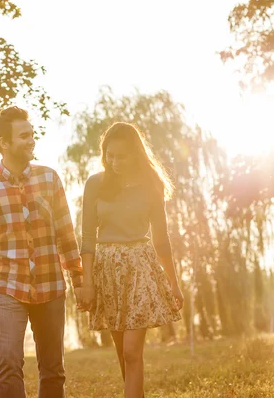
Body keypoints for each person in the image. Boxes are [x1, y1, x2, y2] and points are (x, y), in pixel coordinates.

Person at [0, 106, 84, 398]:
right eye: (23, 136)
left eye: (31, 134)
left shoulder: (50, 179)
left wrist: (79, 281)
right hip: (7, 288)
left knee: (53, 369)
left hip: (50, 286)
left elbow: (66, 233)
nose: (31, 140)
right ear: (3, 143)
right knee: (8, 363)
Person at [80, 122, 184, 398]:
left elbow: (162, 240)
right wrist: (86, 282)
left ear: (135, 154)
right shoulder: (95, 184)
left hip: (140, 267)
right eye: (109, 155)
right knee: (122, 352)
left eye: (121, 155)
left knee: (131, 351)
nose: (114, 161)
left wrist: (174, 284)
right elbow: (88, 237)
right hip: (106, 270)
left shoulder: (152, 186)